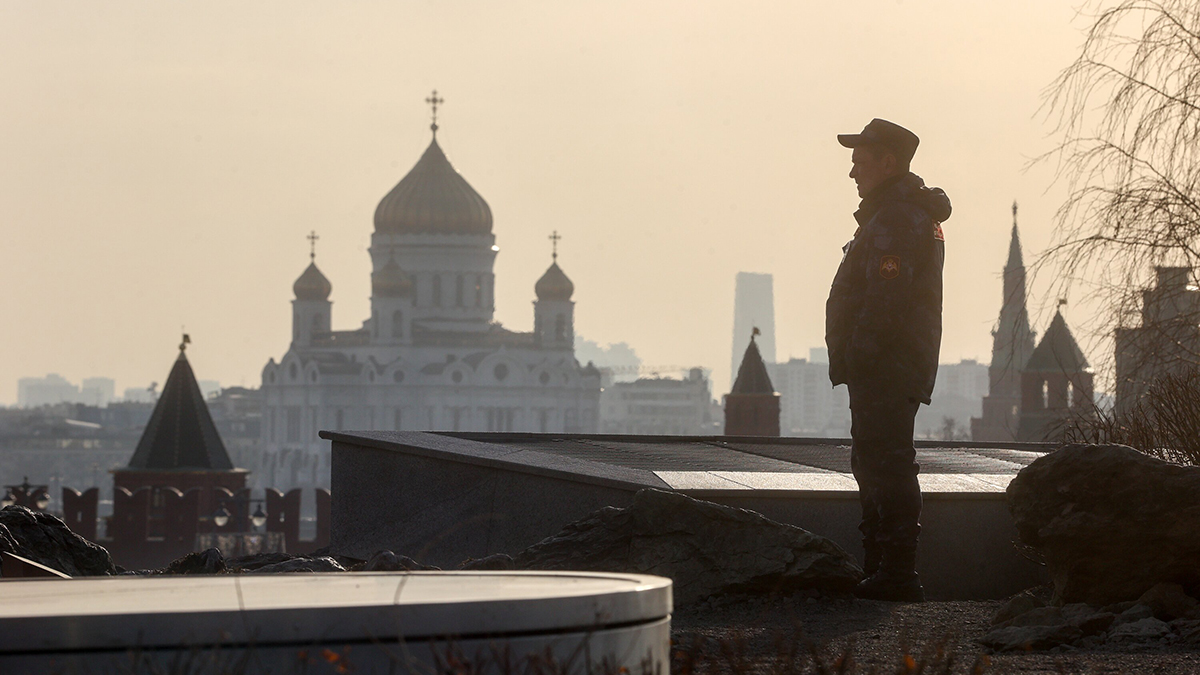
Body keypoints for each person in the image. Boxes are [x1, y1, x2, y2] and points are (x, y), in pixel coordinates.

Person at [825, 118, 951, 602]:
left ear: (888, 163)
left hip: (886, 366)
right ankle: (880, 568)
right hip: (885, 364)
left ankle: (895, 573)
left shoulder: (897, 219)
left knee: (887, 464)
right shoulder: (894, 215)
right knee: (874, 461)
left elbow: (886, 299)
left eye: (860, 161)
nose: (853, 172)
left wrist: (860, 355)